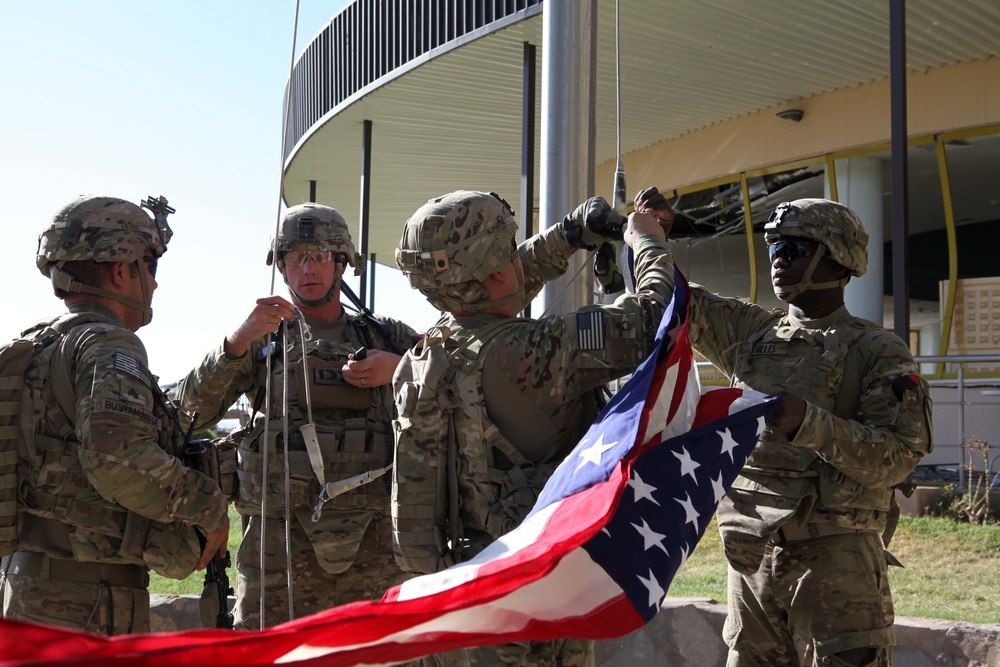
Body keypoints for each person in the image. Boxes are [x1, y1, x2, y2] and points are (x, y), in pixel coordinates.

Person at [632, 188, 934, 667]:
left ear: (838, 262)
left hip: (835, 569)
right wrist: (649, 238)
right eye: (774, 248)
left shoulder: (877, 350)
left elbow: (897, 456)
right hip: (750, 560)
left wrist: (808, 423)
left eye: (795, 249)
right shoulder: (753, 332)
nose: (779, 260)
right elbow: (672, 297)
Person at [393, 190, 676, 667]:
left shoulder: (435, 348)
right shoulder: (523, 351)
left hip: (472, 579)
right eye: (506, 253)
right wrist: (648, 243)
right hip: (533, 591)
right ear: (496, 270)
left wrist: (571, 232)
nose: (516, 265)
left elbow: (500, 279)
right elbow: (650, 321)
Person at [176, 203, 421, 629]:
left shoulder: (387, 336)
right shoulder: (259, 339)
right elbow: (190, 410)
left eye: (320, 256)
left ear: (342, 262)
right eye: (295, 258)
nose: (307, 268)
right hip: (280, 552)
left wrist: (400, 368)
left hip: (377, 547)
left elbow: (457, 385)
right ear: (282, 266)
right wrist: (235, 343)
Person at [0, 195, 230, 635]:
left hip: (26, 584)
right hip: (87, 602)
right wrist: (210, 507)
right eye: (151, 265)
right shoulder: (108, 343)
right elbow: (116, 459)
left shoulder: (38, 346)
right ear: (122, 271)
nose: (156, 284)